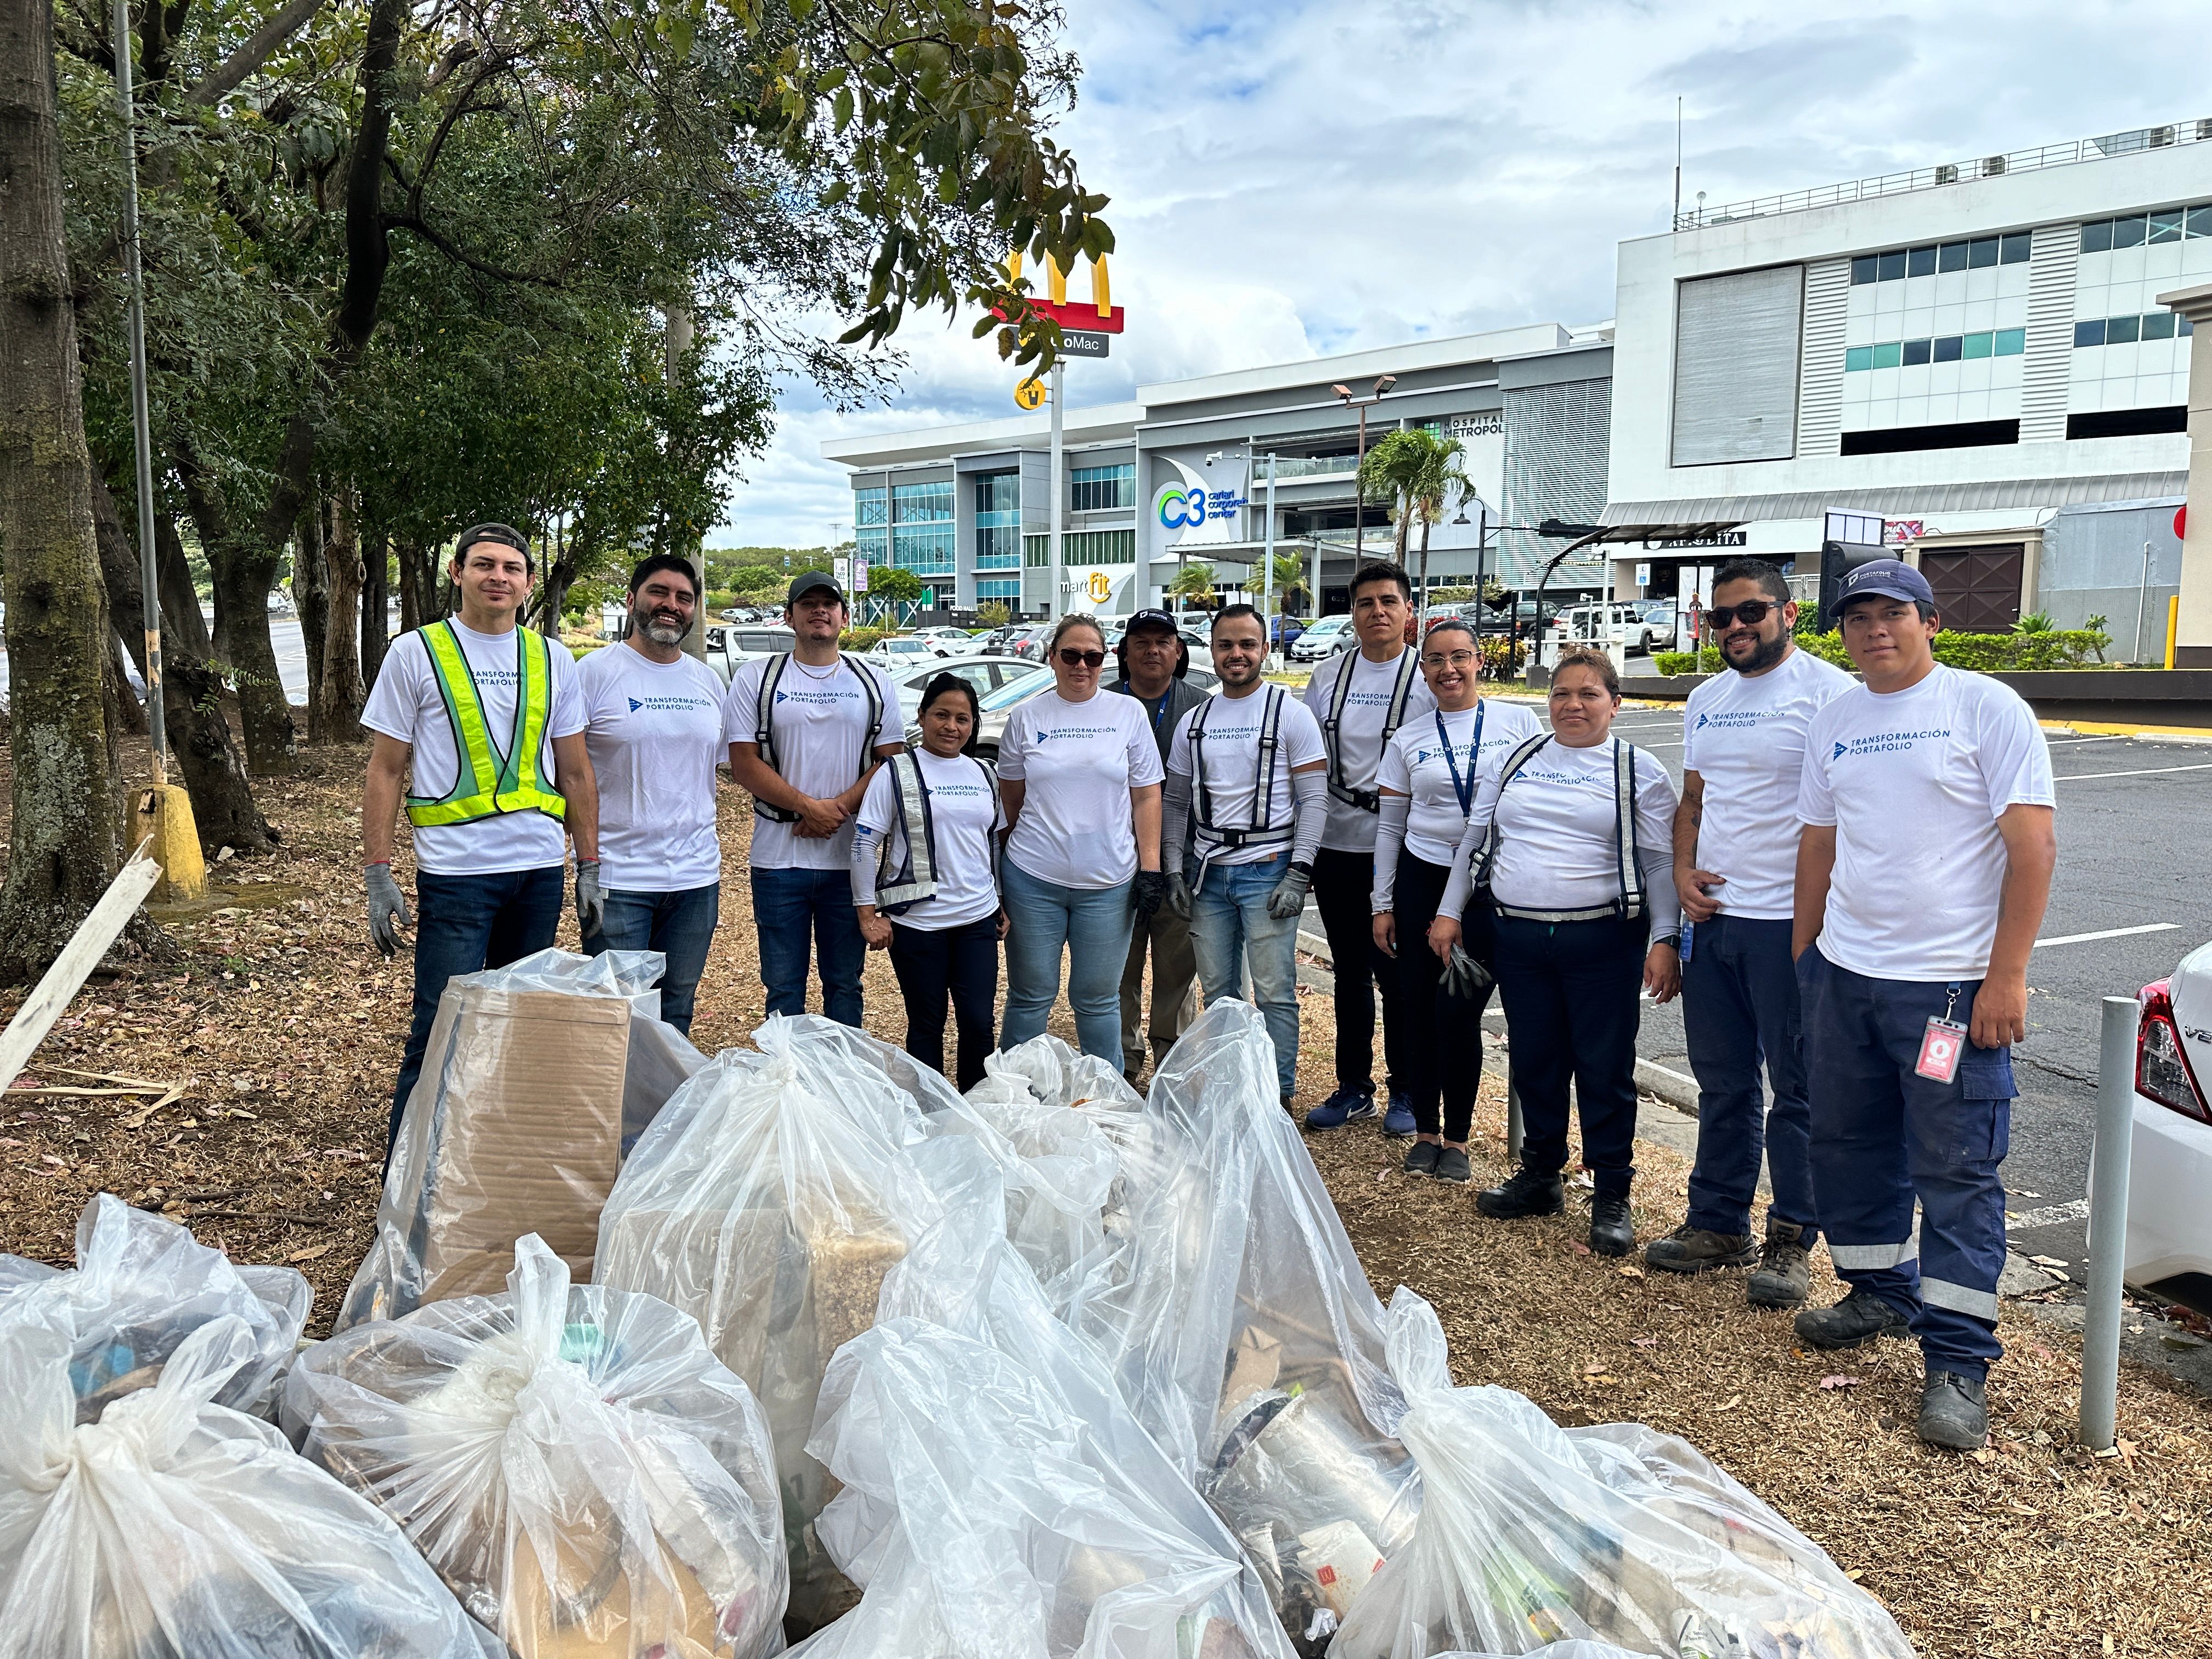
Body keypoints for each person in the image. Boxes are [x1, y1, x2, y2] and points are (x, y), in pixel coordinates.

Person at [1792, 558, 2055, 1452]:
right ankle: (1878, 1291)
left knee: (1953, 1173)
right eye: (1856, 616)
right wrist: (1807, 960)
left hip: (1947, 994)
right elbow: (1818, 845)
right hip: (1846, 981)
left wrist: (2005, 976)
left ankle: (1955, 1361)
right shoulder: (1834, 720)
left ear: (1930, 620)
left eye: (1891, 612)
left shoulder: (1985, 710)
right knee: (1846, 1145)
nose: (1874, 629)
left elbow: (2032, 848)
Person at [1644, 559, 1853, 1304]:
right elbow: (1695, 801)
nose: (1735, 627)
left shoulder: (1832, 694)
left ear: (1789, 614)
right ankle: (1718, 1222)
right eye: (1721, 618)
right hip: (1716, 924)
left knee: (1797, 1089)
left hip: (1789, 928)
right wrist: (1682, 873)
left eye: (1751, 612)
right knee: (1724, 1082)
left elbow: (1847, 817)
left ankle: (1792, 1240)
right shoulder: (1707, 698)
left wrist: (1819, 926)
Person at [1430, 648, 1680, 1256]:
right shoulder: (1518, 759)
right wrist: (1449, 909)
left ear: (1615, 705)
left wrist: (1667, 938)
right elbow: (1476, 838)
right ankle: (1541, 1175)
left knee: (1604, 1067)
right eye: (1562, 694)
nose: (1573, 705)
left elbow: (1659, 862)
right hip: (1518, 935)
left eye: (1589, 694)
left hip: (1602, 939)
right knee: (1537, 1060)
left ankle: (1612, 1192)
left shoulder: (1638, 769)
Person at [360, 524, 596, 1158]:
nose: (500, 577)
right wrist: (377, 871)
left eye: (513, 568)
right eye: (485, 565)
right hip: (458, 875)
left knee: (516, 1027)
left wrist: (591, 866)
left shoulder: (553, 658)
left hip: (538, 872)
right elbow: (386, 767)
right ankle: (408, 1186)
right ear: (457, 573)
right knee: (440, 1031)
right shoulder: (417, 652)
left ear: (527, 582)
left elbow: (574, 771)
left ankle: (488, 1173)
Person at [1370, 617, 1542, 1183]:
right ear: (1423, 672)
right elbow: (1389, 830)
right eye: (1436, 660)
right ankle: (1424, 1131)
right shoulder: (1409, 740)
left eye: (1460, 657)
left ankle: (1459, 1138)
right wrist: (1382, 902)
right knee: (1418, 1009)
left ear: (1479, 662)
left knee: (1460, 1013)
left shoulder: (1519, 722)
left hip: (1493, 888)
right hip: (1424, 879)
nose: (1449, 669)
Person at [1161, 605, 1328, 1108]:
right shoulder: (1197, 719)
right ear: (1212, 651)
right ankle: (1232, 1094)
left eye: (1247, 645)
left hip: (1269, 868)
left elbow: (1314, 799)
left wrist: (1299, 872)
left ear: (1265, 649)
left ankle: (1275, 1098)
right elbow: (1175, 801)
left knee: (1275, 992)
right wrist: (1174, 868)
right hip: (1209, 875)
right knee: (1219, 994)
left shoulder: (1291, 712)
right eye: (1226, 645)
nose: (1237, 655)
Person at [723, 571, 902, 1025]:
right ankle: (789, 1087)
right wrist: (808, 807)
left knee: (845, 984)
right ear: (789, 617)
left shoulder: (874, 680)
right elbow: (744, 763)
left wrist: (834, 811)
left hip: (849, 863)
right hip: (778, 861)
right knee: (783, 988)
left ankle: (838, 1086)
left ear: (845, 616)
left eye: (829, 603)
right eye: (808, 604)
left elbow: (890, 763)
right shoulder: (756, 678)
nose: (819, 610)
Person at [1300, 561, 1437, 1134]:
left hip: (1402, 849)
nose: (1377, 612)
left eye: (1389, 601)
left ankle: (1407, 1089)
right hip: (1336, 844)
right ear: (1351, 614)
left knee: (1400, 971)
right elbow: (1304, 763)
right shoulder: (1327, 677)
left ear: (1409, 612)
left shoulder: (1428, 679)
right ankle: (1355, 1085)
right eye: (1365, 603)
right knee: (1349, 971)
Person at [998, 614, 1167, 1062]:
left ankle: (1106, 1099)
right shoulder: (1025, 716)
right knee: (1031, 994)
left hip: (1109, 884)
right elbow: (1011, 801)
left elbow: (1148, 795)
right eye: (1070, 655)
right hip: (1033, 879)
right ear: (1052, 657)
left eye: (1092, 657)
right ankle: (1012, 1096)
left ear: (1105, 660)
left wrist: (1151, 868)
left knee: (1096, 998)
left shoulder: (1128, 713)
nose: (1081, 666)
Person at [572, 553, 727, 1036]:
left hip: (696, 877)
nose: (671, 606)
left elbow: (722, 767)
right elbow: (569, 774)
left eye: (684, 598)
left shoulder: (707, 682)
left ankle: (665, 1112)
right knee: (617, 1017)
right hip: (619, 878)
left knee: (677, 1007)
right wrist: (587, 866)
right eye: (659, 592)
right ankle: (614, 1114)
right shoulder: (591, 674)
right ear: (631, 599)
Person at [853, 674, 1007, 1089]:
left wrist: (1000, 899)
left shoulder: (985, 774)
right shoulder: (895, 773)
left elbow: (992, 843)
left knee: (978, 1023)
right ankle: (932, 1114)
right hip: (919, 926)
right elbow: (865, 843)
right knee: (927, 1023)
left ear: (974, 724)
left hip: (976, 920)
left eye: (962, 718)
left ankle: (976, 1109)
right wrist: (867, 915)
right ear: (921, 716)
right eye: (941, 715)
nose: (951, 727)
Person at [1111, 609, 1209, 1086]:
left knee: (1177, 972)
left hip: (1184, 864)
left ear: (1179, 652)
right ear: (1124, 652)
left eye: (1163, 642)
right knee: (1118, 972)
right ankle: (1124, 1061)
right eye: (1142, 642)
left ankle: (1172, 1065)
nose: (1153, 650)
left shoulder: (1203, 708)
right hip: (1113, 866)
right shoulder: (1101, 704)